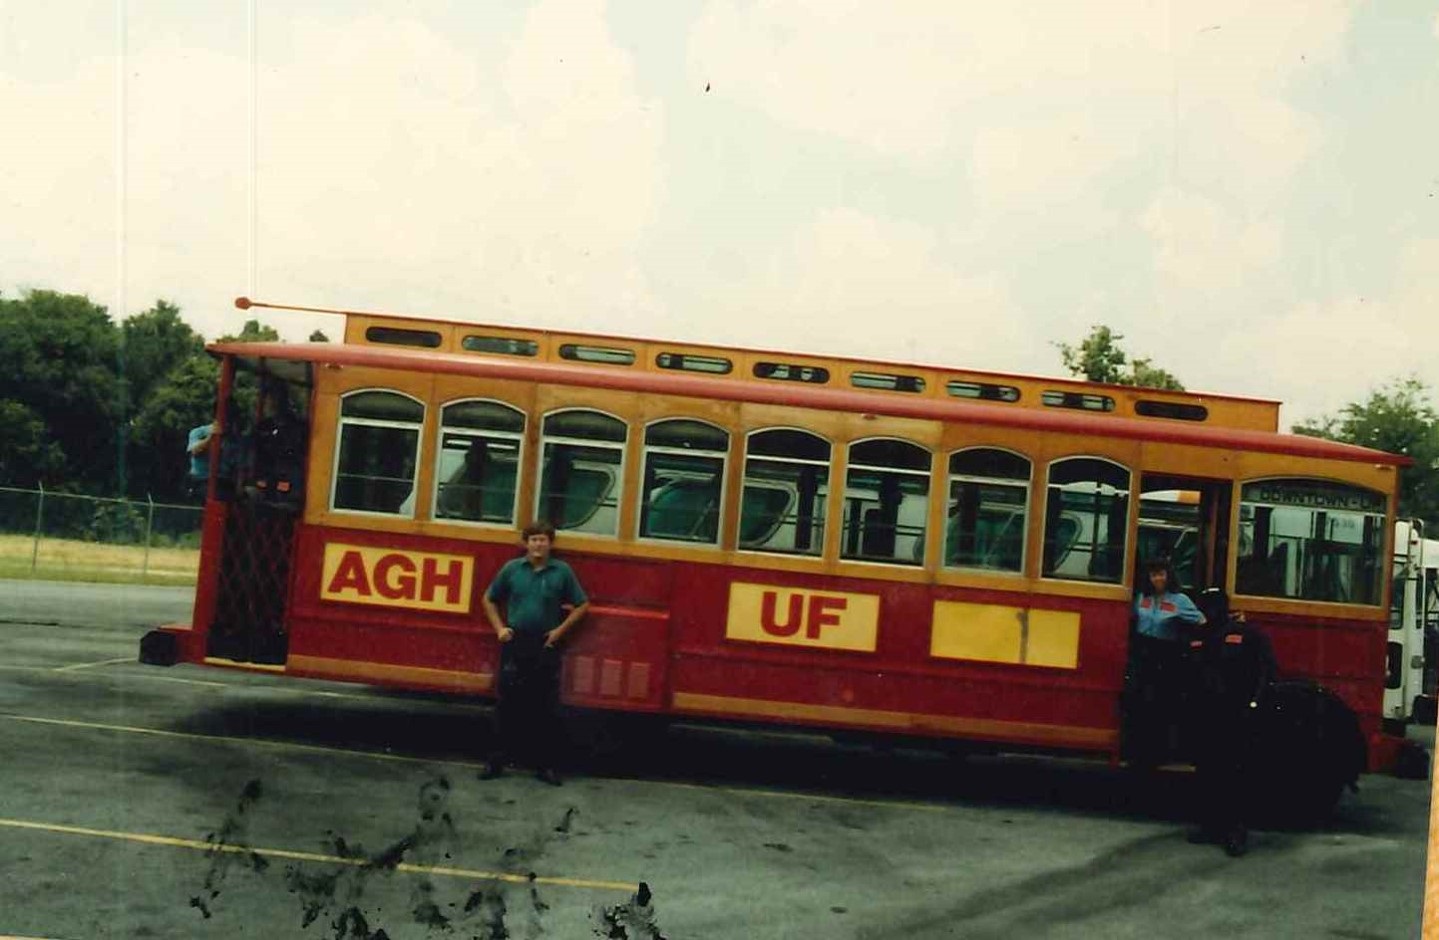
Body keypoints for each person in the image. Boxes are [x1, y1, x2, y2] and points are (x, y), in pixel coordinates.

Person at [479, 521, 589, 785]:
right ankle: (495, 763)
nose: (538, 544)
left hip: (545, 644)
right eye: (534, 540)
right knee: (507, 705)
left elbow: (582, 605)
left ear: (551, 544)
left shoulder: (561, 571)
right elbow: (489, 598)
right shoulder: (512, 569)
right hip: (516, 642)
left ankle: (545, 767)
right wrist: (499, 629)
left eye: (543, 540)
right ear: (525, 543)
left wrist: (559, 632)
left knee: (546, 707)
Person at [1186, 605, 1277, 857]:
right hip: (1208, 715)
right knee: (1208, 772)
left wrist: (1254, 703)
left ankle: (1235, 833)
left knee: (1234, 774)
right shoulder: (1201, 635)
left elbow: (1265, 670)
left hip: (1236, 716)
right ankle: (1210, 827)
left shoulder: (1246, 634)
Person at [1122, 558, 1206, 768]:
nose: (1157, 579)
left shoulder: (1180, 600)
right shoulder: (1142, 597)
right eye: (1153, 575)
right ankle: (1137, 753)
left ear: (1169, 576)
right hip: (1142, 654)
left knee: (1159, 705)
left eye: (1161, 574)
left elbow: (1201, 621)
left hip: (1165, 656)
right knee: (1140, 703)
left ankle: (1157, 754)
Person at [186, 421, 218, 501]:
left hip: (225, 481)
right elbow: (195, 451)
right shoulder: (199, 432)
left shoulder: (235, 436)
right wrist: (211, 438)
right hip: (201, 479)